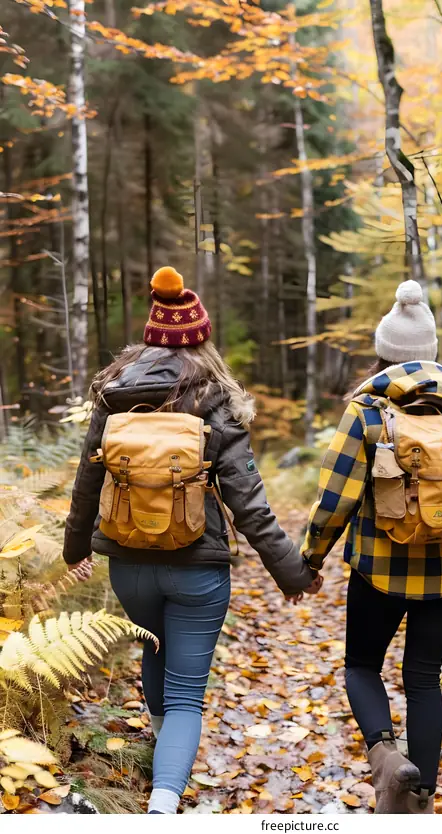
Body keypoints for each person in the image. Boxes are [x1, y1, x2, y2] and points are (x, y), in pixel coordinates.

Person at [63, 266, 321, 814]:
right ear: (200, 337)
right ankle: (163, 803)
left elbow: (87, 480)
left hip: (128, 563)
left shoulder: (115, 394)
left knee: (153, 651)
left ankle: (163, 760)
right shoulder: (212, 398)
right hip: (197, 567)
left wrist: (76, 548)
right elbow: (248, 503)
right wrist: (291, 573)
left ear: (152, 334)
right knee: (186, 694)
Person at [301, 280, 442, 814]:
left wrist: (309, 560)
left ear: (384, 351)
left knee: (361, 667)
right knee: (423, 678)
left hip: (379, 569)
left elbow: (334, 500)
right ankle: (420, 800)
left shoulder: (368, 412)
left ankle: (386, 758)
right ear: (433, 351)